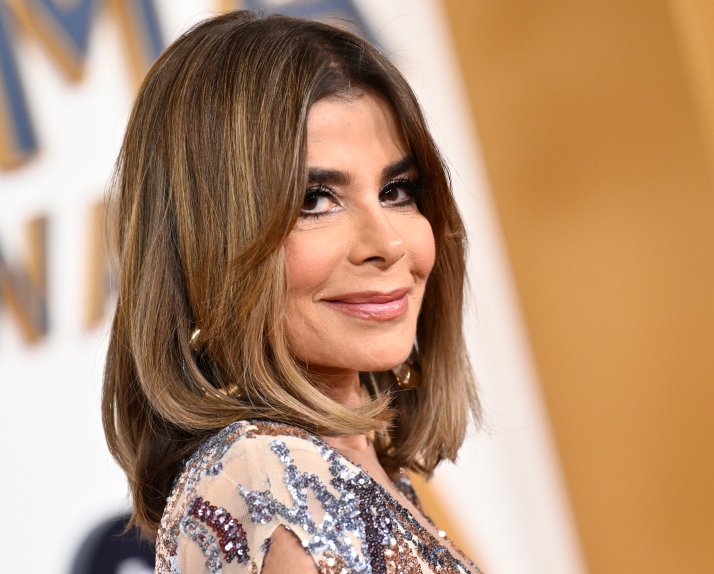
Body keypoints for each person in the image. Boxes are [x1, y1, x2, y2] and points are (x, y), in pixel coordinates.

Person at [102, 10, 481, 574]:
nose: (387, 243)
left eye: (398, 191)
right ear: (207, 245)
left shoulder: (344, 470)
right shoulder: (267, 479)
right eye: (314, 201)